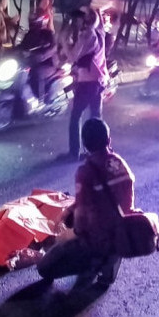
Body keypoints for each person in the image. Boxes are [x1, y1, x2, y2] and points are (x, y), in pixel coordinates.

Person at [37, 118, 135, 289]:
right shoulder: (119, 162)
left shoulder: (85, 172)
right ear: (109, 140)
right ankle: (109, 267)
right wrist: (69, 209)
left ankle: (91, 265)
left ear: (85, 144)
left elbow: (81, 219)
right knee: (74, 217)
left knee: (44, 268)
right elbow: (125, 201)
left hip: (97, 238)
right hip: (122, 231)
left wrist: (67, 236)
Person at [60, 7, 108, 159]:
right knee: (96, 117)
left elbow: (73, 56)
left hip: (88, 82)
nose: (77, 20)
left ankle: (74, 153)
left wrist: (64, 39)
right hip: (99, 81)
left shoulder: (87, 36)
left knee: (76, 116)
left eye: (81, 17)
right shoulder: (100, 33)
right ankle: (99, 152)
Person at [18, 4, 57, 102]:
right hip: (31, 62)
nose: (32, 22)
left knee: (37, 72)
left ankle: (40, 99)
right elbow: (22, 46)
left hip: (47, 64)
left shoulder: (48, 34)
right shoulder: (29, 35)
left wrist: (41, 56)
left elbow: (53, 48)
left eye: (35, 19)